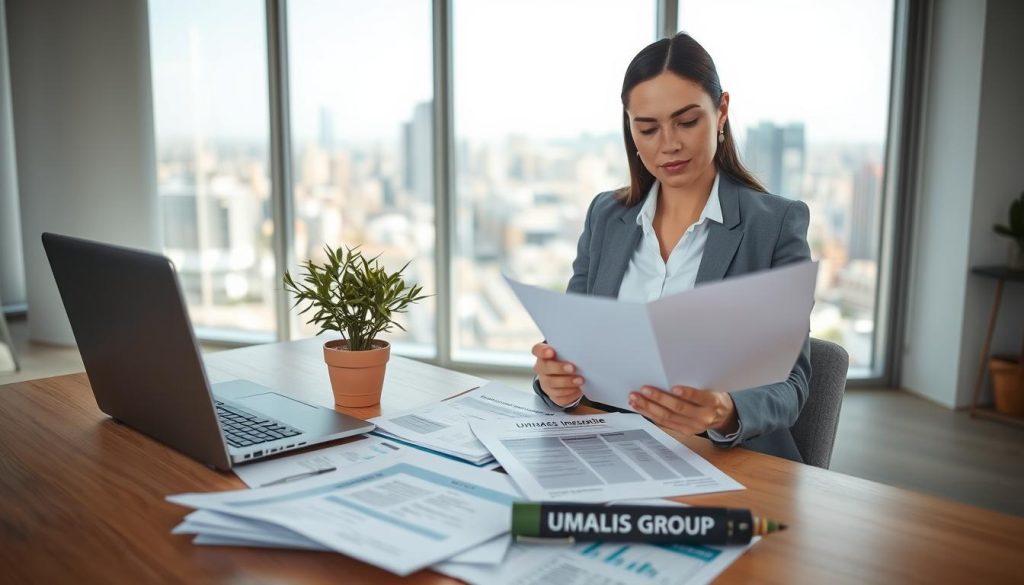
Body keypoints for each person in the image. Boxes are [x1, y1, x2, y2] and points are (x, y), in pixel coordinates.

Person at [531, 32, 812, 462]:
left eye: (686, 121)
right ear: (630, 128)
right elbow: (570, 350)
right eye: (647, 128)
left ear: (721, 111)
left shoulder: (773, 226)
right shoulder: (606, 216)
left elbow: (791, 386)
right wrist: (558, 383)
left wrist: (724, 411)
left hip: (726, 463)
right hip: (609, 453)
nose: (669, 144)